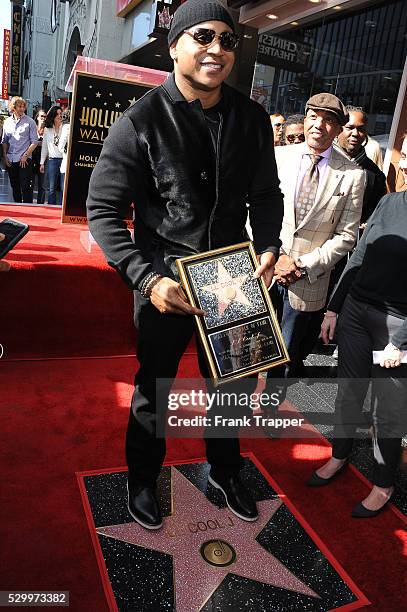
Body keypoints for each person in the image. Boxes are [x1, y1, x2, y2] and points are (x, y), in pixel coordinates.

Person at [87, 0, 283, 530]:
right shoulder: (142, 119)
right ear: (174, 45)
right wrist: (145, 278)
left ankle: (225, 468)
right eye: (202, 37)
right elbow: (102, 210)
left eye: (226, 39)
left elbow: (267, 193)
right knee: (156, 387)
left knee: (235, 386)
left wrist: (268, 244)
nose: (216, 49)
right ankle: (143, 478)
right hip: (165, 278)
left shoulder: (252, 118)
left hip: (233, 276)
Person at [308, 132, 407, 518]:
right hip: (356, 313)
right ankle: (339, 456)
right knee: (347, 393)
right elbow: (358, 255)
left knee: (388, 409)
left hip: (398, 328)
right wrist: (333, 309)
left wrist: (402, 343)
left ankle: (383, 483)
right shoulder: (388, 201)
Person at [269, 93, 364, 378]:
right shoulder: (277, 157)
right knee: (249, 347)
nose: (318, 126)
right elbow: (252, 212)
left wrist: (301, 265)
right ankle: (238, 411)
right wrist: (275, 255)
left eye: (328, 120)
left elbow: (346, 236)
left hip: (306, 281)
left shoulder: (352, 174)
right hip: (264, 268)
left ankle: (271, 414)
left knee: (286, 356)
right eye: (313, 117)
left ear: (337, 129)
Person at [336, 109, 386, 225]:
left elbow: (373, 214)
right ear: (339, 128)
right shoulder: (322, 160)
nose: (355, 133)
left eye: (361, 129)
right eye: (349, 127)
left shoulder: (375, 175)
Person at [1, 96, 38, 203]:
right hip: (11, 159)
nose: (22, 109)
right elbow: (4, 141)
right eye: (19, 106)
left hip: (24, 160)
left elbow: (34, 141)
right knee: (15, 186)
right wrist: (5, 156)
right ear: (13, 107)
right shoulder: (7, 122)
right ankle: (18, 208)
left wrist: (25, 156)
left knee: (26, 187)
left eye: (23, 106)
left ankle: (28, 209)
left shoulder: (30, 122)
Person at [40, 105, 63, 205]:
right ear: (53, 116)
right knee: (51, 188)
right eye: (57, 114)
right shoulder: (47, 129)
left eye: (60, 114)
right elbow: (44, 146)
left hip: (64, 160)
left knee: (63, 188)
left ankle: (63, 209)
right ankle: (51, 208)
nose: (59, 116)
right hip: (52, 160)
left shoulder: (66, 128)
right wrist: (41, 163)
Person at [31, 109, 47, 204]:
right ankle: (28, 203)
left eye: (45, 116)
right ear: (37, 117)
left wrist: (36, 143)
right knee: (30, 182)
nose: (43, 118)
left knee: (42, 184)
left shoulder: (48, 129)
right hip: (32, 156)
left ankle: (40, 204)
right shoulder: (33, 128)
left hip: (44, 158)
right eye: (42, 116)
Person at [58, 109, 71, 197]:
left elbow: (61, 146)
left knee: (64, 191)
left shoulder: (66, 127)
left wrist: (64, 150)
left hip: (67, 162)